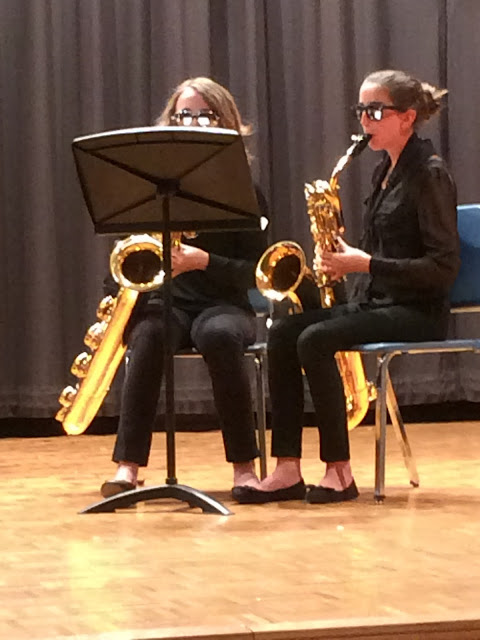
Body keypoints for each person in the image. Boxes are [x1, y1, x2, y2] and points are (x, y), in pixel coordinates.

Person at [232, 69, 460, 505]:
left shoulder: (429, 174)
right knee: (283, 331)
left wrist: (365, 263)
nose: (364, 121)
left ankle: (339, 471)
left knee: (315, 339)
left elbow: (443, 267)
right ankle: (287, 468)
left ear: (407, 117)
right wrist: (342, 266)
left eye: (375, 111)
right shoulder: (384, 172)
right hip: (378, 302)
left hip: (418, 311)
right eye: (360, 111)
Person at [101, 77, 268, 498]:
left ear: (224, 122)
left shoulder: (243, 190)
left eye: (203, 116)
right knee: (147, 335)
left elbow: (257, 272)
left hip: (225, 304)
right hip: (169, 302)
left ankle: (244, 468)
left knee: (219, 335)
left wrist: (204, 261)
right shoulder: (151, 194)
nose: (192, 123)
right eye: (183, 115)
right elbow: (123, 260)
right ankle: (128, 467)